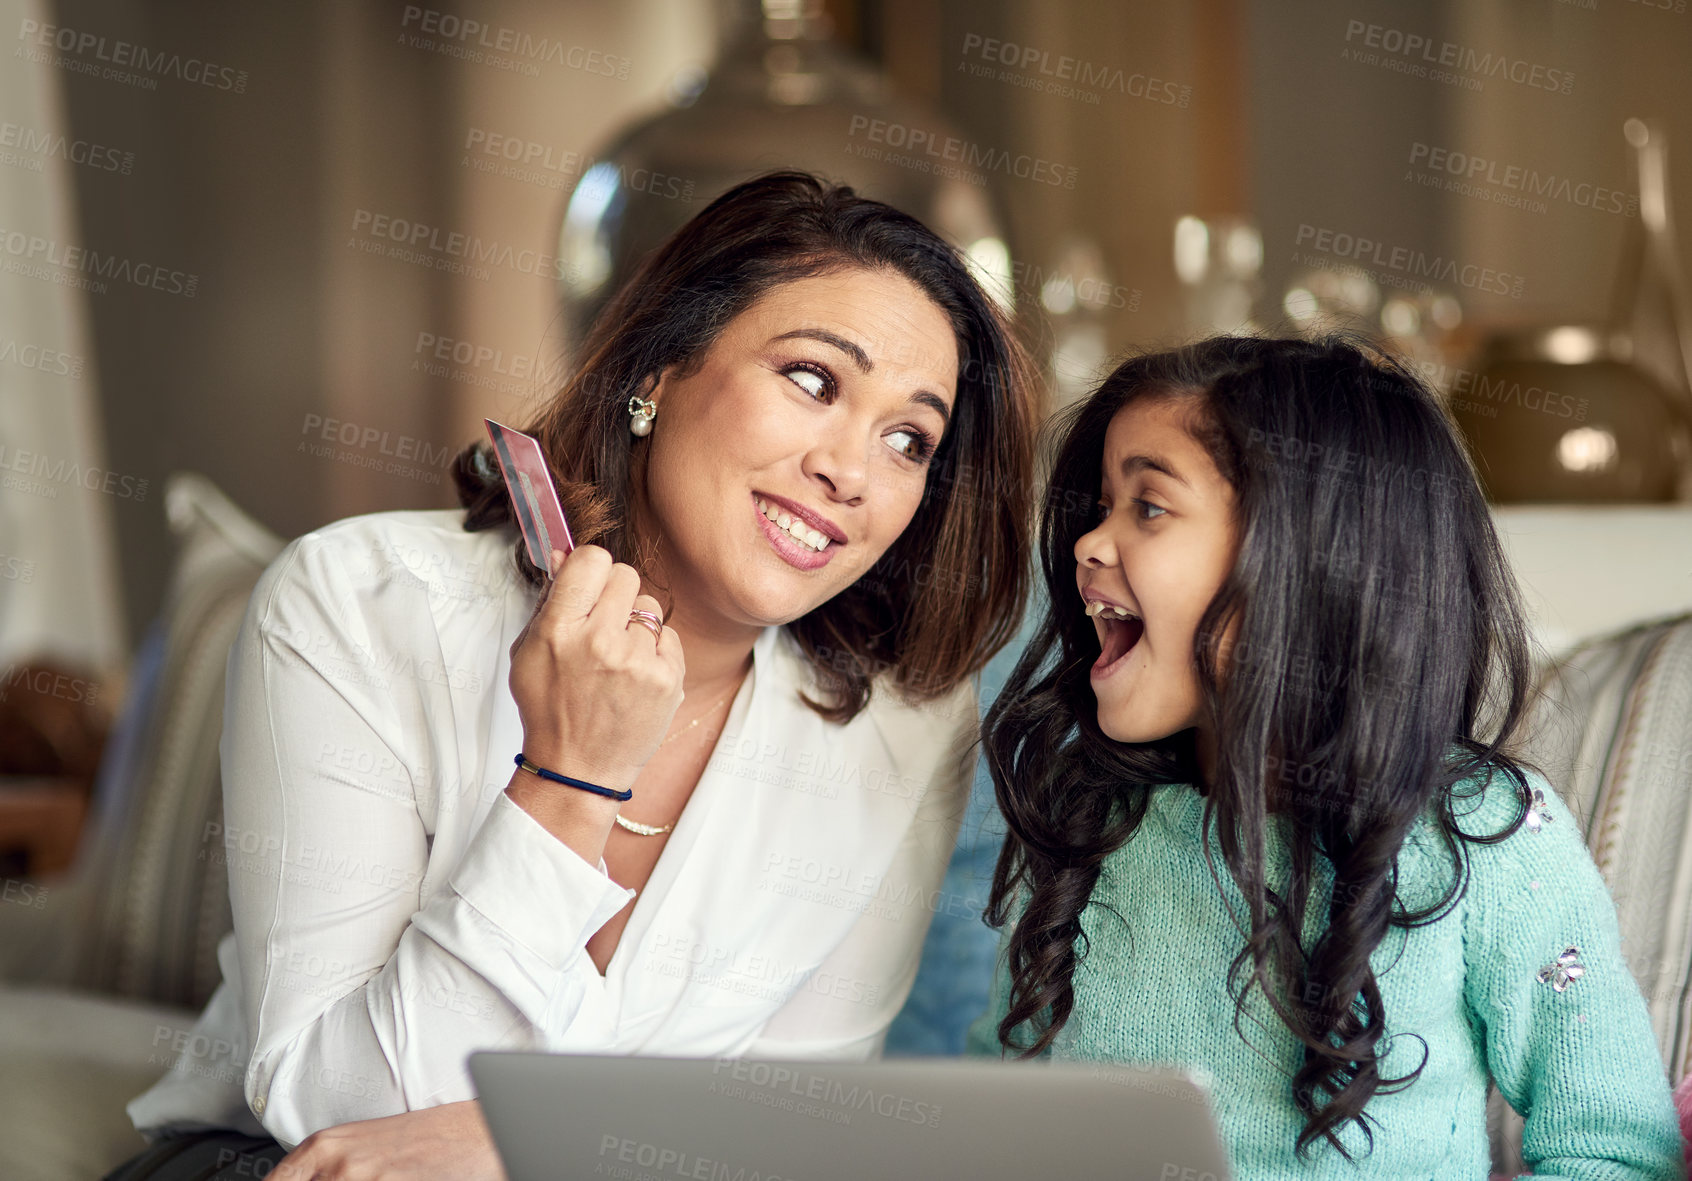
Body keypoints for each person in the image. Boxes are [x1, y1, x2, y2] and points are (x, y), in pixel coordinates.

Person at [109, 170, 1037, 1180]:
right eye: (813, 380)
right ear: (659, 371)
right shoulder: (356, 602)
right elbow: (344, 1114)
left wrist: (534, 1141)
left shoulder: (904, 723)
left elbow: (794, 1120)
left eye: (910, 439)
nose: (851, 471)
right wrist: (569, 780)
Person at [967, 335, 1683, 1177]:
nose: (1090, 542)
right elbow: (995, 1108)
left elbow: (1618, 1154)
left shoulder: (1486, 834)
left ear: (1310, 559)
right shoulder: (1087, 815)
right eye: (1099, 505)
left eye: (1148, 506)